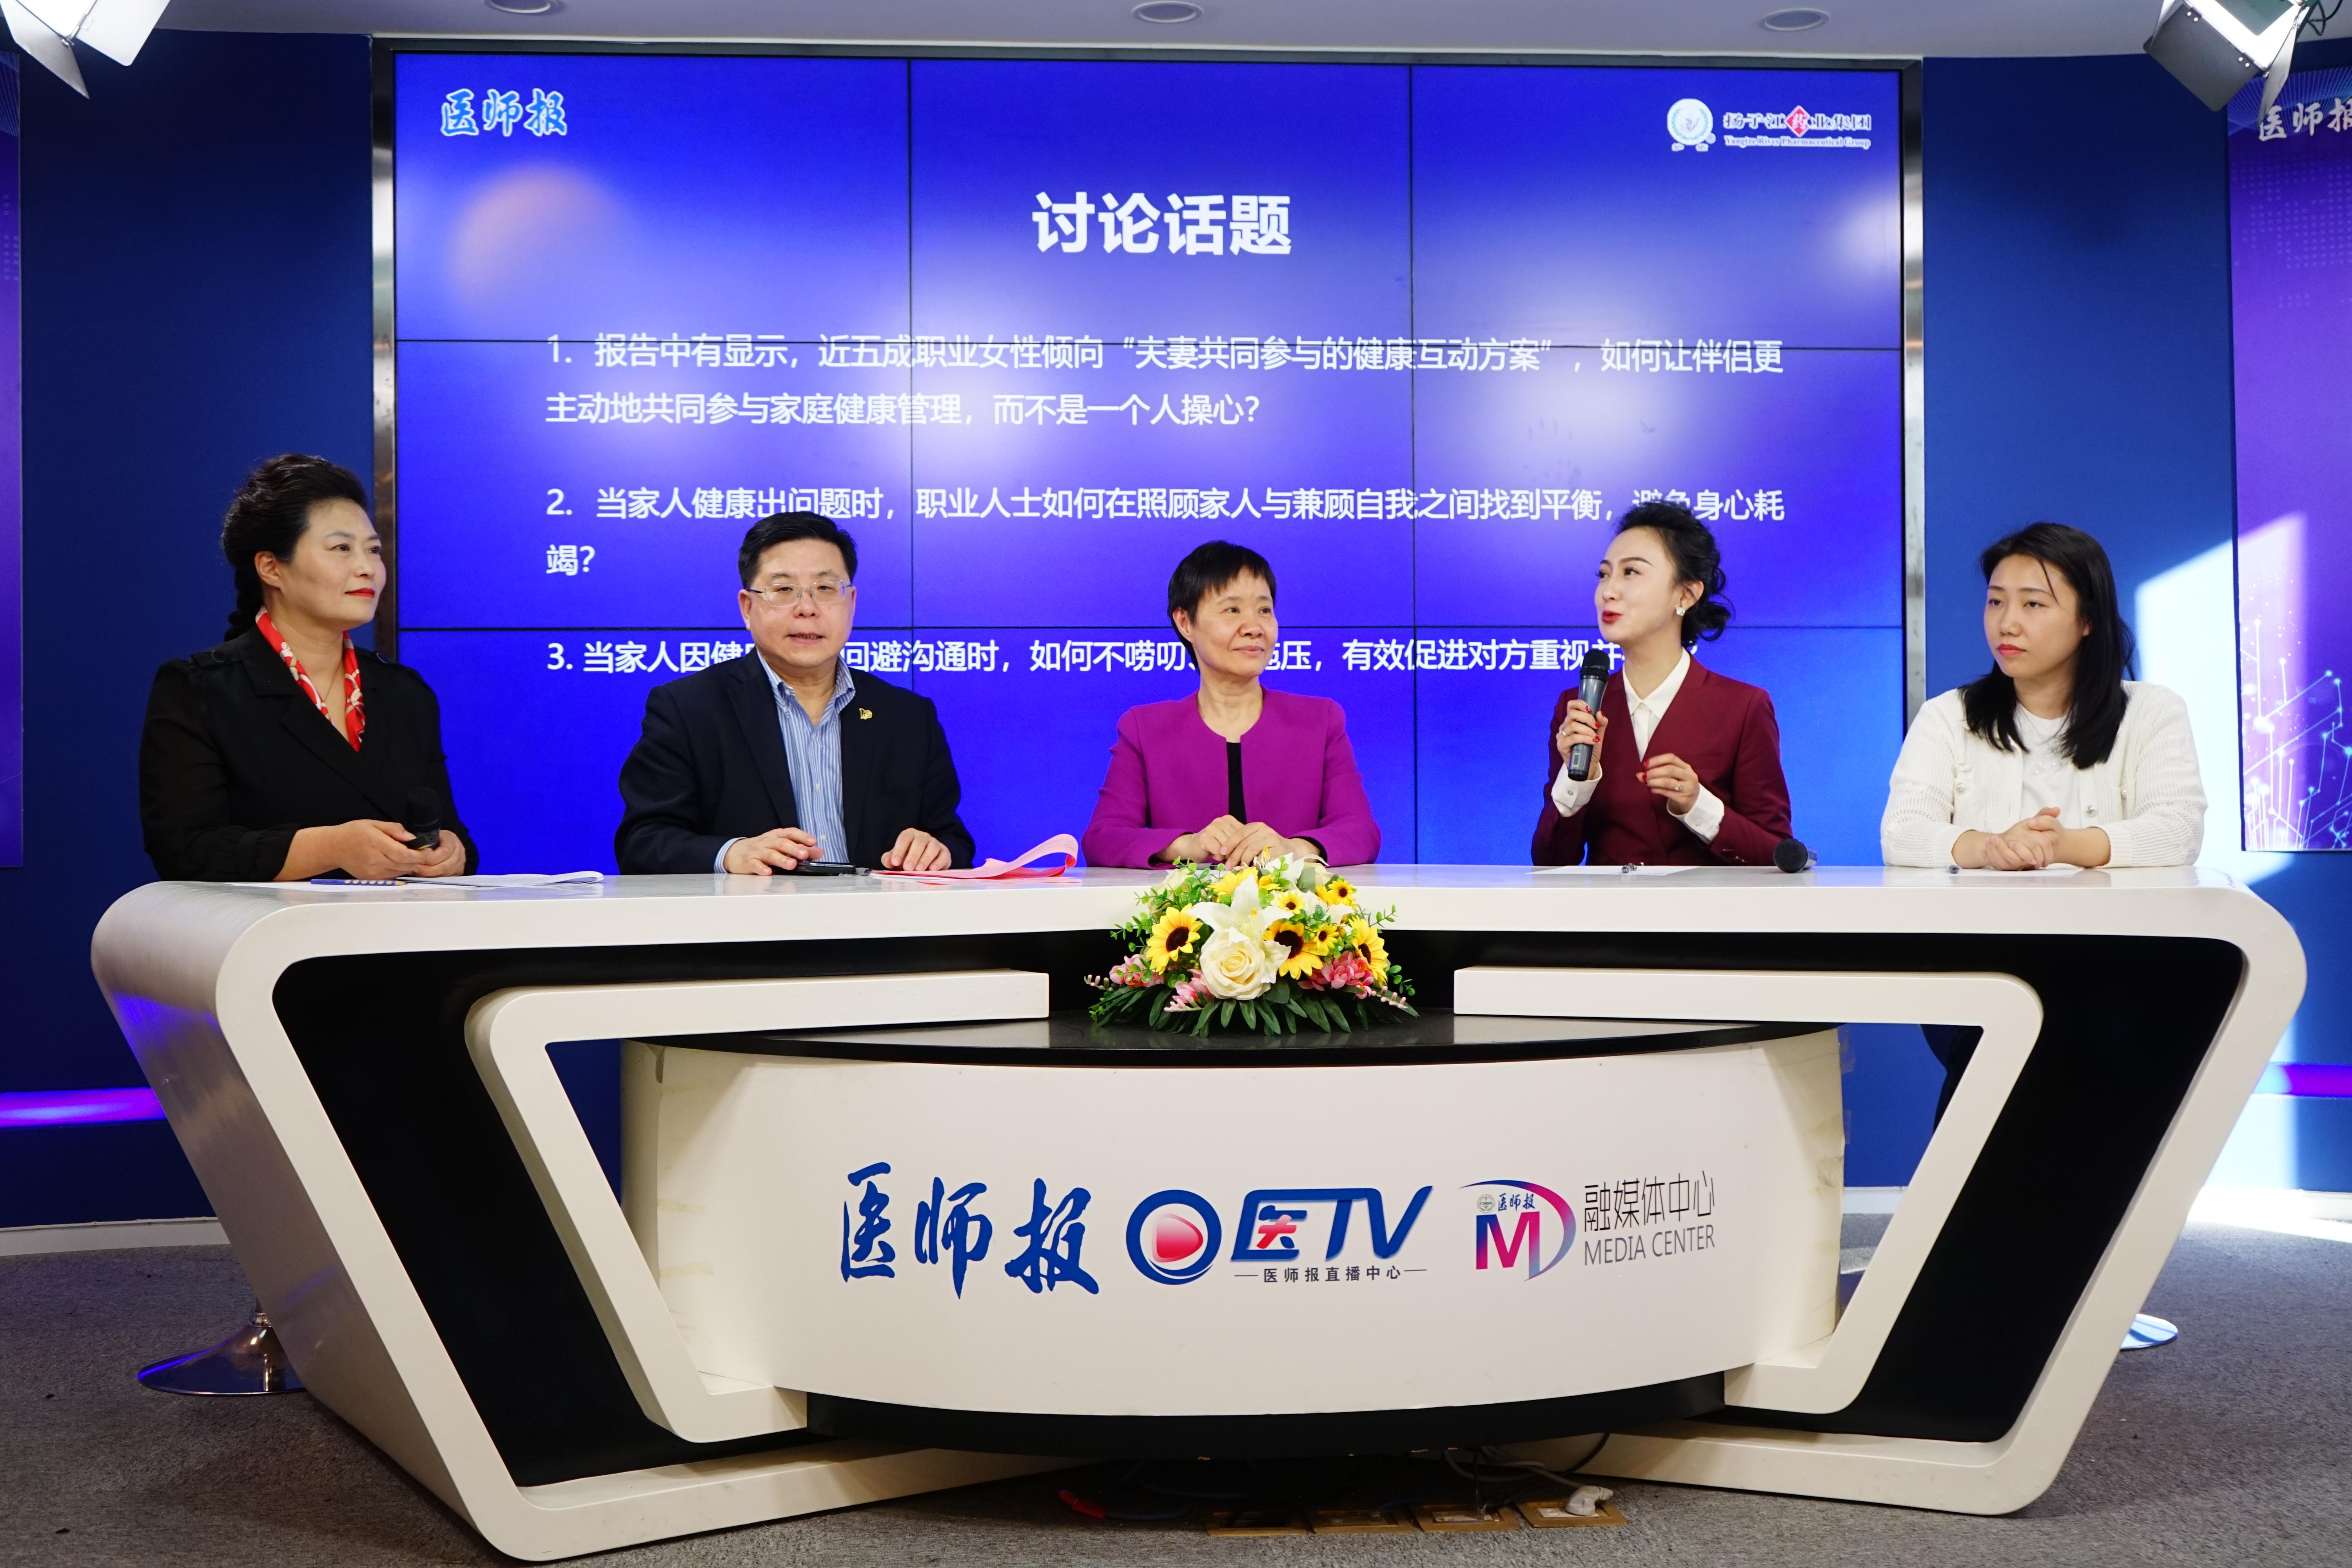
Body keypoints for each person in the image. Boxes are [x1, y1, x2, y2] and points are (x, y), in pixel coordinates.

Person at [1884, 521, 2205, 1118]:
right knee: (1996, 1052)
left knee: (2104, 1051)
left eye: (2033, 604)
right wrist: (1988, 847)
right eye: (1996, 602)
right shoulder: (1948, 716)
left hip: (2118, 961)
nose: (2007, 623)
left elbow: (2178, 829)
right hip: (1980, 962)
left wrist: (2063, 845)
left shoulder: (2152, 712)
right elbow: (1902, 832)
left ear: (2088, 619)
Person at [140, 454, 477, 881]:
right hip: (270, 925)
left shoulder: (405, 692)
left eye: (373, 550)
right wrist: (331, 848)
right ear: (271, 567)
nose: (367, 568)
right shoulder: (200, 688)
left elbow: (448, 831)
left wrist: (452, 853)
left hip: (393, 924)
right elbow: (185, 850)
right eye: (342, 549)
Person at [615, 512, 971, 874]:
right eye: (784, 590)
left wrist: (937, 851)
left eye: (826, 589)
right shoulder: (689, 709)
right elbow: (642, 842)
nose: (807, 609)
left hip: (878, 910)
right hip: (754, 911)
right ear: (747, 608)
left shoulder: (908, 716)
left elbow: (953, 841)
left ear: (851, 603)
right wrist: (731, 854)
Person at [1082, 541, 1379, 869]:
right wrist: (1187, 845)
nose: (1254, 628)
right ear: (1185, 623)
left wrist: (1292, 848)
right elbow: (1103, 838)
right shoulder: (1145, 728)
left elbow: (1361, 832)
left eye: (1264, 611)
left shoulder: (1319, 721)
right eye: (1233, 610)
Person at [1532, 501, 1791, 866]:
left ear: (1686, 595)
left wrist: (1698, 805)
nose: (1608, 591)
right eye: (1604, 575)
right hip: (1606, 906)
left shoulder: (1743, 707)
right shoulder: (1578, 707)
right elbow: (1550, 863)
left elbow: (1778, 856)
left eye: (1631, 572)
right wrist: (1577, 783)